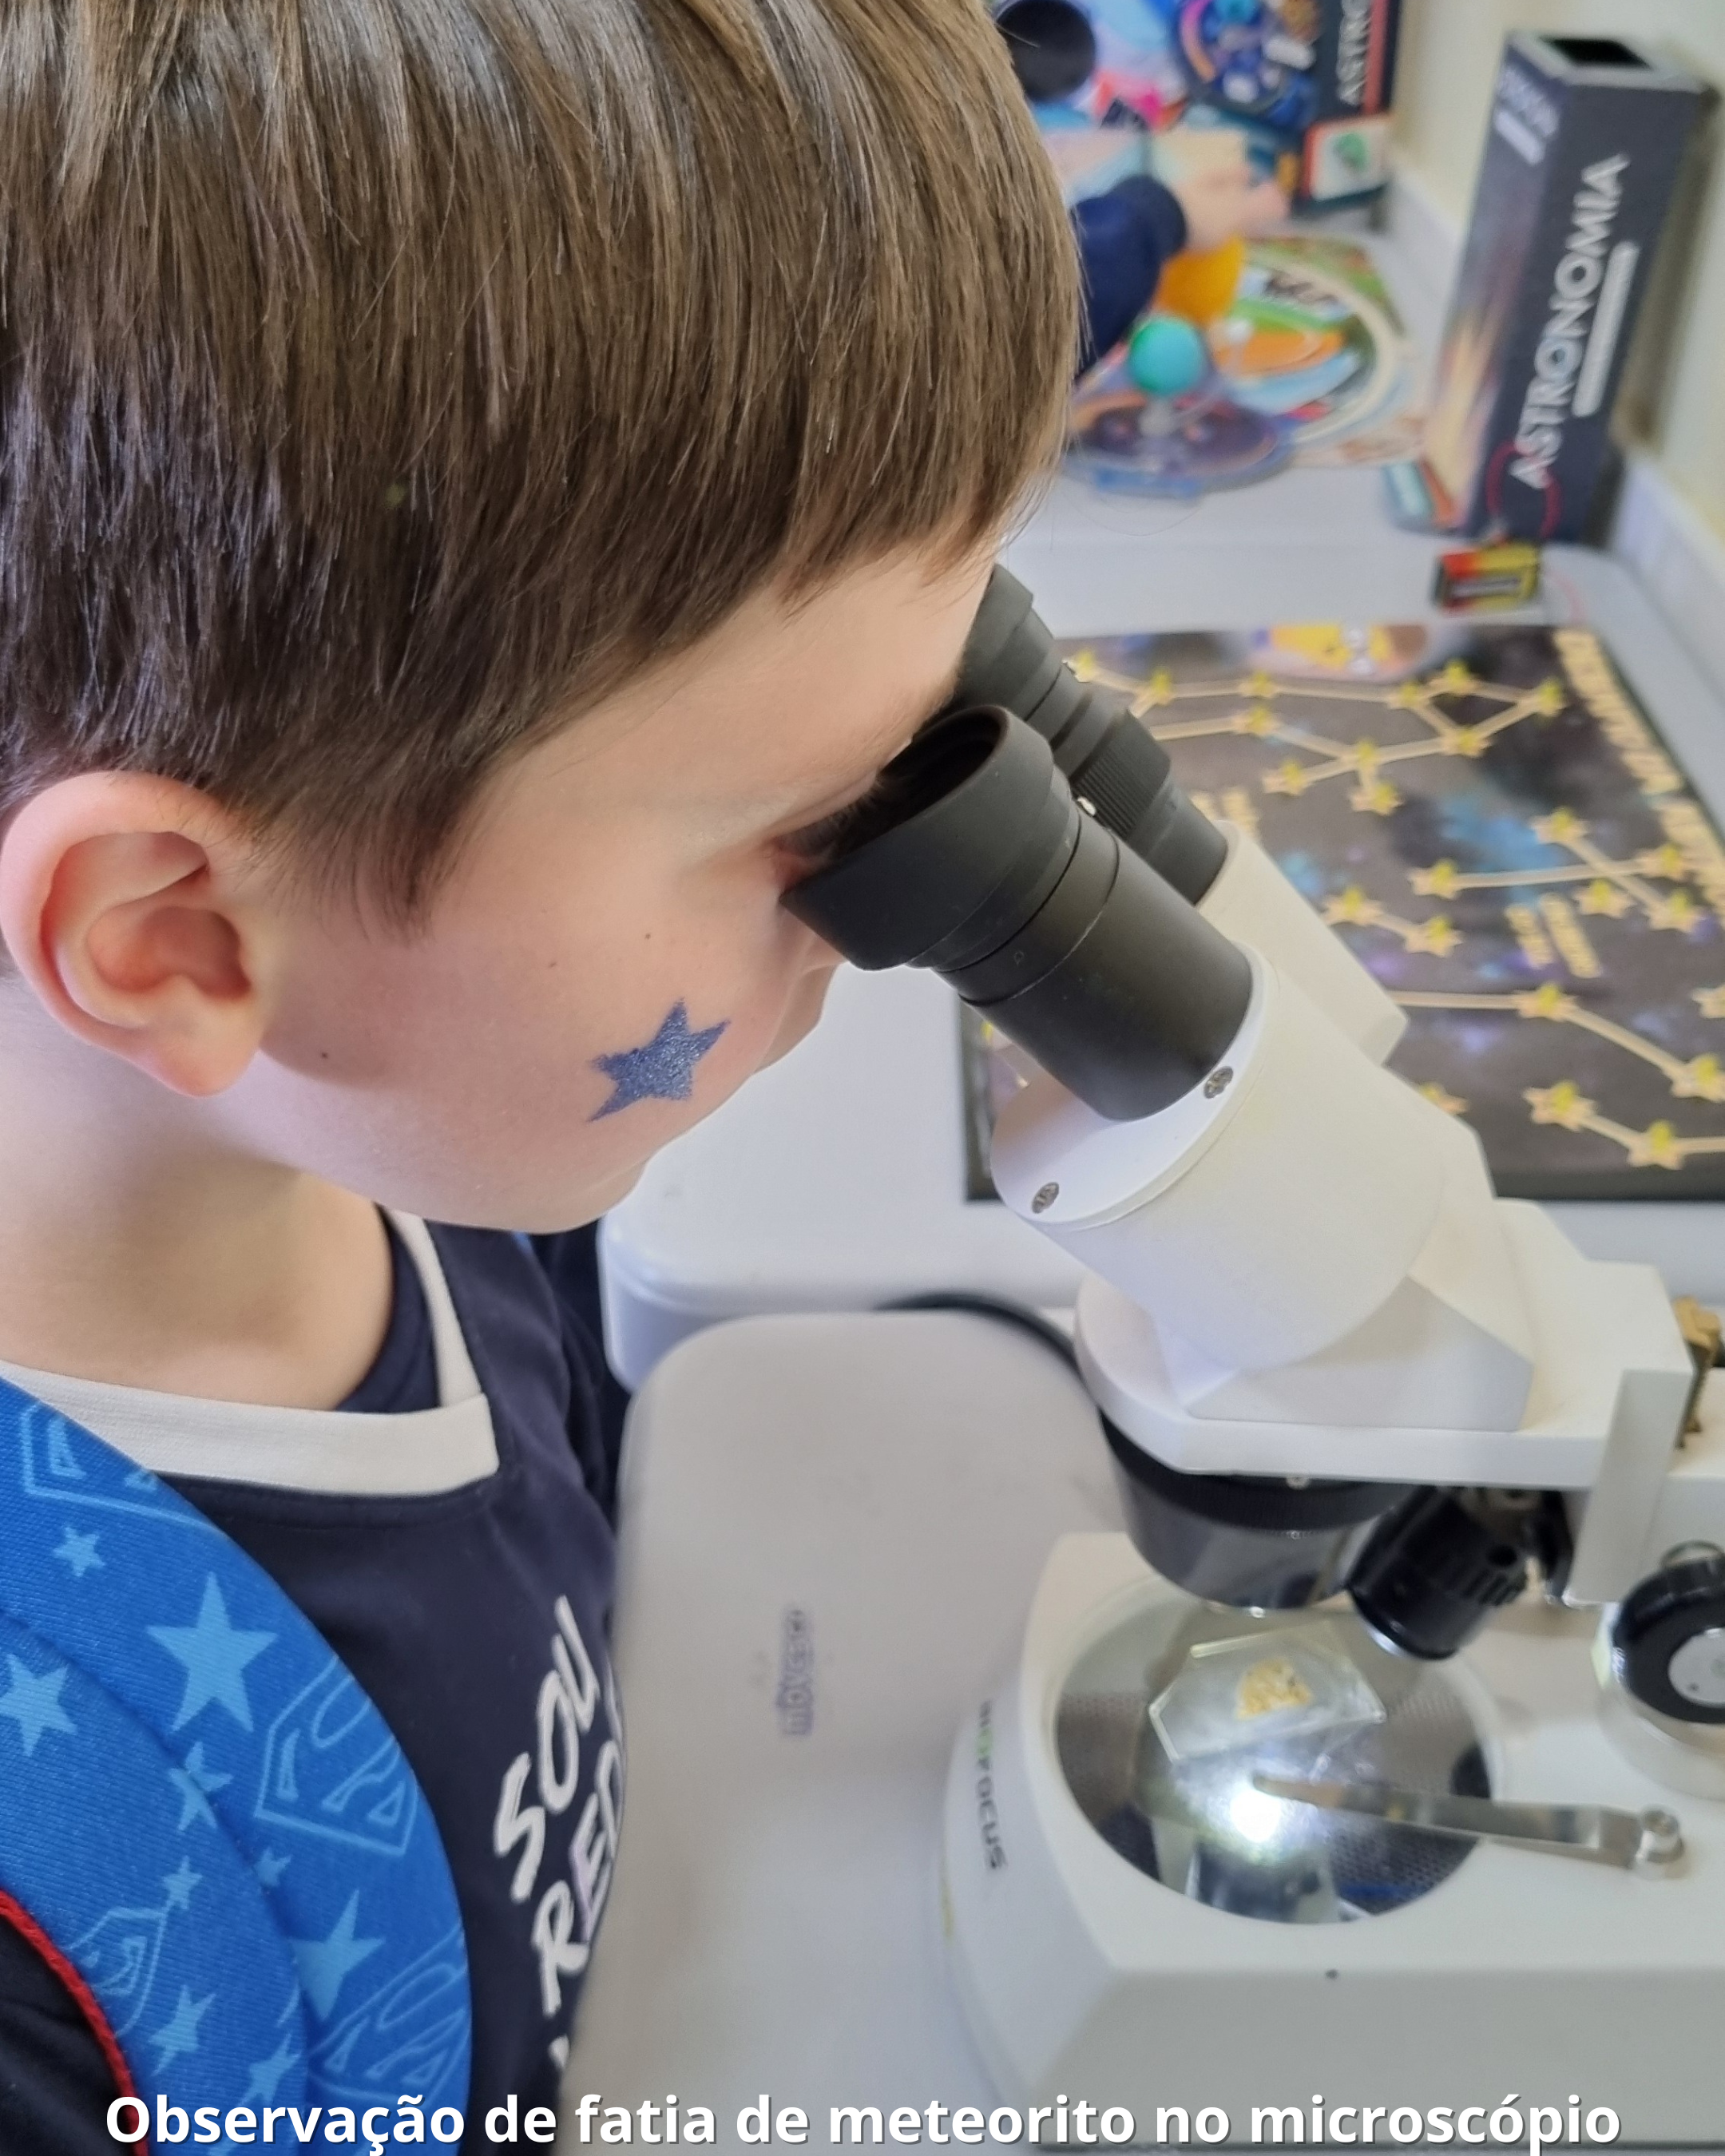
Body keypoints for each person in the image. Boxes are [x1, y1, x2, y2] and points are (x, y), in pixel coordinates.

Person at [0, 5, 1273, 2150]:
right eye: (799, 818)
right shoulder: (58, 1906)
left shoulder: (393, 1134)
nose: (881, 917)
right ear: (179, 939)